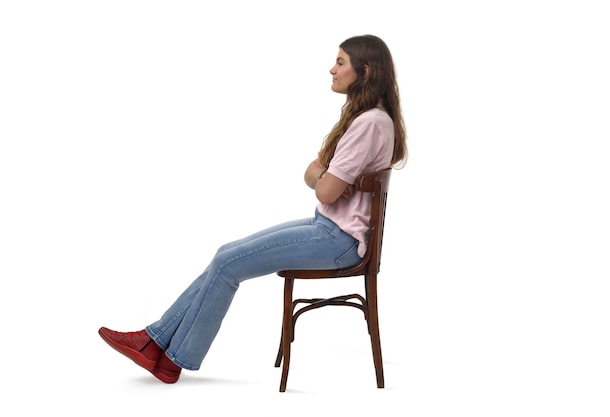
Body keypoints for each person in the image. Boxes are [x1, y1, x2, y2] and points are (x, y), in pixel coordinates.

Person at [99, 34, 408, 384]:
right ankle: (154, 344)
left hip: (338, 241)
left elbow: (323, 188)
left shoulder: (368, 123)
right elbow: (315, 173)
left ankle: (170, 357)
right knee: (226, 254)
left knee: (229, 265)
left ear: (364, 72)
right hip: (329, 229)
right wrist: (324, 177)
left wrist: (323, 177)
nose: (331, 70)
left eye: (340, 62)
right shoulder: (368, 119)